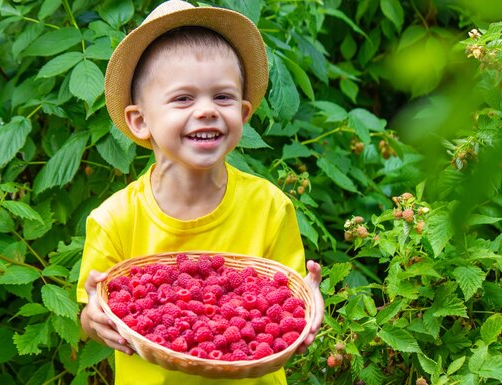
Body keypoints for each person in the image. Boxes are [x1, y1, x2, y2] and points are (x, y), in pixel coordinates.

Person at [77, 1, 325, 384]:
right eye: (183, 98)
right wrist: (94, 318)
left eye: (222, 97)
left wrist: (308, 302)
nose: (207, 110)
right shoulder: (115, 220)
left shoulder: (270, 207)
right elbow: (91, 318)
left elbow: (288, 303)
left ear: (243, 114)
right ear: (140, 121)